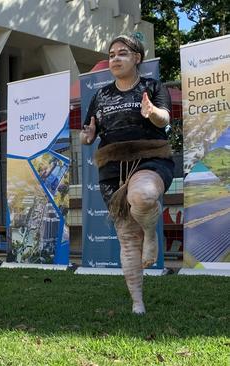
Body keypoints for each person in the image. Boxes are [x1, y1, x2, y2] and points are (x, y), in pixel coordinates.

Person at [81, 35, 173, 314]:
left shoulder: (153, 87)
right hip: (112, 170)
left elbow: (165, 119)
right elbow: (88, 134)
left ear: (137, 58)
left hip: (150, 158)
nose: (115, 59)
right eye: (111, 55)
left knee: (143, 196)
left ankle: (151, 232)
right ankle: (137, 303)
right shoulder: (100, 95)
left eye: (122, 53)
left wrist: (153, 112)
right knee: (127, 239)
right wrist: (88, 135)